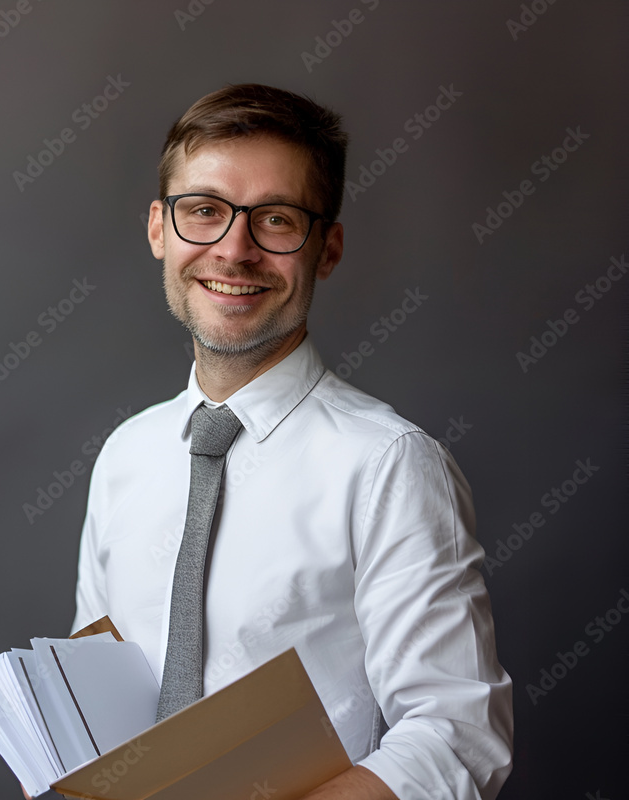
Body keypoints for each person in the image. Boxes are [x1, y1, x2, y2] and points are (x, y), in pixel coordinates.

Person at [69, 84, 513, 799]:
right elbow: (94, 704)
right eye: (205, 211)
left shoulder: (388, 466)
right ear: (159, 229)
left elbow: (455, 735)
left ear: (327, 248)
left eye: (275, 220)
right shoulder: (126, 455)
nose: (234, 250)